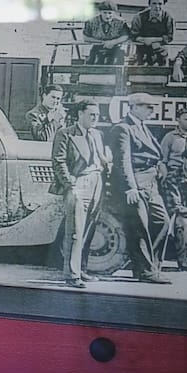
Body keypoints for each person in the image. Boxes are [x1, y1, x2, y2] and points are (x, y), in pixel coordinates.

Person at [108, 92, 172, 284]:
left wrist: (159, 164)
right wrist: (130, 187)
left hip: (150, 183)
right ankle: (145, 271)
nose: (151, 111)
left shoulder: (142, 127)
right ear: (134, 107)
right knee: (139, 227)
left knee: (163, 222)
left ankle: (146, 265)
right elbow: (123, 160)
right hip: (135, 184)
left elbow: (153, 154)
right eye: (147, 107)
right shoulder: (123, 128)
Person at [50, 100, 109, 288]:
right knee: (75, 231)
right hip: (79, 184)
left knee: (88, 230)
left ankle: (82, 270)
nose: (95, 118)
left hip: (97, 183)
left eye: (97, 115)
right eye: (91, 114)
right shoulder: (65, 134)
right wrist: (70, 184)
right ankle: (72, 275)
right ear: (80, 115)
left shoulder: (98, 135)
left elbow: (101, 159)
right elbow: (58, 162)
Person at [130, 0, 175, 67]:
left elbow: (170, 37)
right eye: (154, 3)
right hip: (142, 50)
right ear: (149, 4)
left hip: (161, 51)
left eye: (160, 4)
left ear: (163, 5)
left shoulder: (168, 18)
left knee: (161, 74)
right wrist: (144, 40)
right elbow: (133, 35)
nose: (157, 6)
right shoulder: (139, 17)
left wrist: (152, 40)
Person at [84, 1, 130, 65]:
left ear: (114, 13)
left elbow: (125, 36)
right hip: (97, 46)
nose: (107, 16)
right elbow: (86, 37)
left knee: (118, 63)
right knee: (92, 64)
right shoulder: (91, 22)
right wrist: (102, 42)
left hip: (115, 47)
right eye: (104, 13)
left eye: (110, 13)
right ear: (100, 12)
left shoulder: (121, 22)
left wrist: (113, 42)